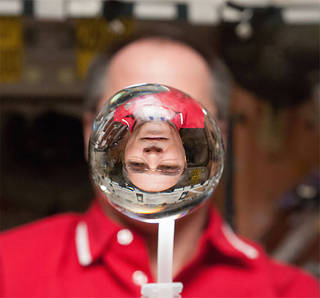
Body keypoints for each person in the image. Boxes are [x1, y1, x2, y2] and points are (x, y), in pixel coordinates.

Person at [0, 30, 319, 298]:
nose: (154, 135)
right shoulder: (8, 271)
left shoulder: (290, 292)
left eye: (183, 116)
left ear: (219, 136)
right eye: (128, 114)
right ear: (90, 132)